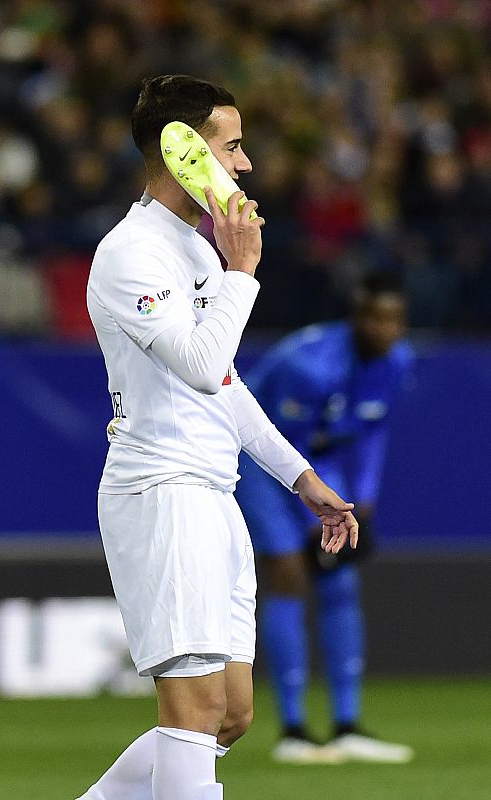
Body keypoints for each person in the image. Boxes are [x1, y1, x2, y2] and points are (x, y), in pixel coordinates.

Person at [78, 74, 358, 800]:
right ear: (184, 154)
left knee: (229, 716)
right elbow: (202, 367)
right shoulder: (130, 254)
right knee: (195, 712)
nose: (244, 166)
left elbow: (226, 386)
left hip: (214, 494)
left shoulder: (197, 251)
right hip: (162, 493)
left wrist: (301, 479)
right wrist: (243, 271)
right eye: (231, 146)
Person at [235, 272, 415, 765]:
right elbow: (282, 450)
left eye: (395, 320)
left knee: (339, 581)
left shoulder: (398, 362)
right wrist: (318, 519)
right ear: (355, 318)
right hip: (261, 467)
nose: (387, 330)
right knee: (290, 574)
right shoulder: (309, 366)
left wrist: (365, 499)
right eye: (376, 319)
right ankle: (293, 729)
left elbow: (371, 431)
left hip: (320, 465)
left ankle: (346, 724)